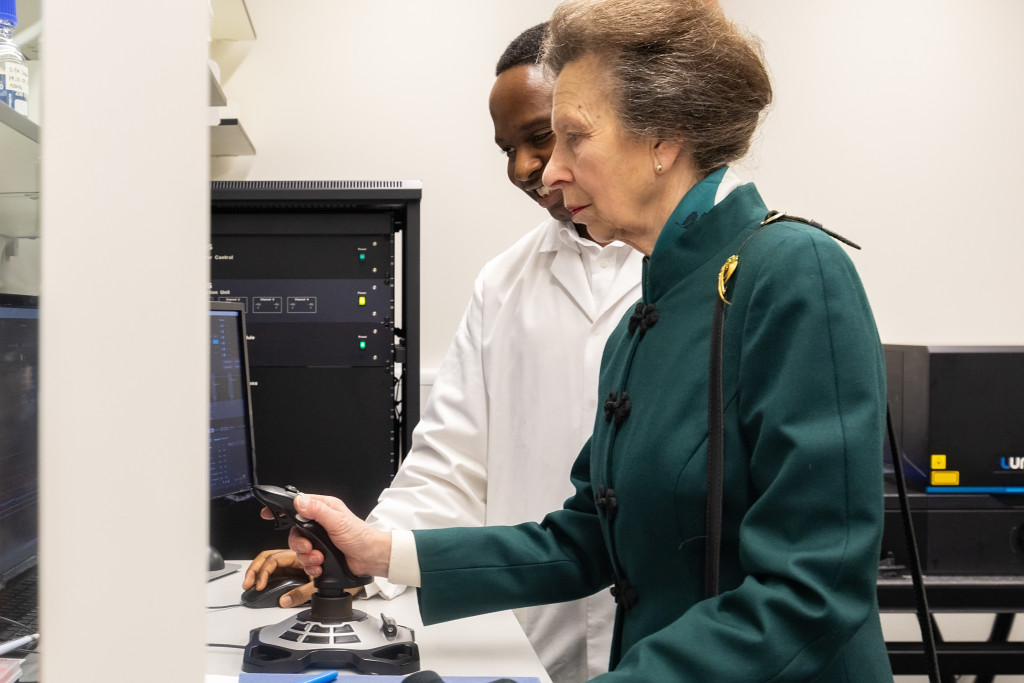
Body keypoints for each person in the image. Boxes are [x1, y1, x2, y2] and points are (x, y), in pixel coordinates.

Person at [275, 1, 895, 679]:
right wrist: (379, 551)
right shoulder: (646, 319)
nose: (548, 171)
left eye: (573, 137)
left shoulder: (793, 274)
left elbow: (813, 592)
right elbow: (586, 540)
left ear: (663, 138)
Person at [243, 22, 642, 683]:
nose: (522, 167)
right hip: (532, 644)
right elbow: (447, 469)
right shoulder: (503, 284)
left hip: (674, 650)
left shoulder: (711, 275)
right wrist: (357, 556)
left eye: (540, 137)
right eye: (507, 149)